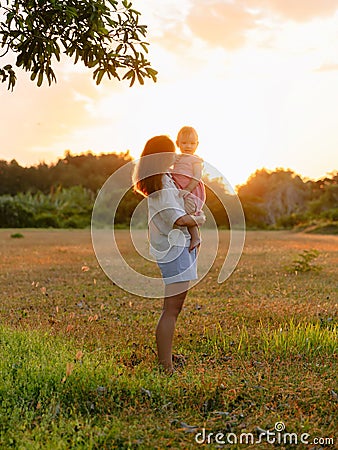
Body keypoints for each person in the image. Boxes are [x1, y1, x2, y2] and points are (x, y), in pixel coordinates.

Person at [133, 135, 206, 374]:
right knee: (171, 310)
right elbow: (177, 218)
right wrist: (199, 219)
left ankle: (168, 356)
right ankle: (166, 365)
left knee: (173, 309)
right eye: (171, 152)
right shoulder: (163, 183)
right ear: (161, 156)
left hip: (176, 247)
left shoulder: (161, 180)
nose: (176, 156)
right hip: (174, 250)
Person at [171, 126, 206, 252]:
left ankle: (196, 236)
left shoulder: (195, 160)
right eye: (184, 143)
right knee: (181, 212)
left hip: (192, 190)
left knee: (188, 212)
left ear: (197, 144)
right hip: (181, 190)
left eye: (192, 143)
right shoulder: (177, 158)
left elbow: (197, 176)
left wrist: (188, 189)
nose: (188, 146)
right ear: (177, 143)